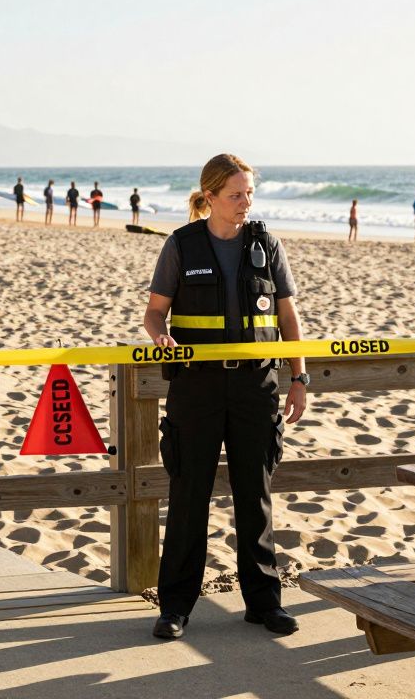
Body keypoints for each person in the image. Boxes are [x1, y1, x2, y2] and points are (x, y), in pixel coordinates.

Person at [144, 153, 308, 640]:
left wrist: (299, 379)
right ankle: (174, 607)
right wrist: (159, 336)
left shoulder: (267, 244)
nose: (245, 203)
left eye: (250, 194)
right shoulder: (181, 245)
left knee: (254, 498)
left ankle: (264, 604)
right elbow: (155, 313)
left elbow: (288, 318)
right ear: (210, 196)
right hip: (196, 387)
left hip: (256, 388)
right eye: (236, 194)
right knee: (189, 495)